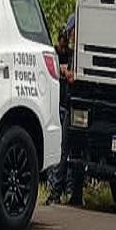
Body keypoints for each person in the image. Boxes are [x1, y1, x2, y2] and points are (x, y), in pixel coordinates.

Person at [46, 13, 83, 206]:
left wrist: (65, 72)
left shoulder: (78, 53)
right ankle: (67, 192)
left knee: (66, 150)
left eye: (71, 31)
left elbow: (74, 77)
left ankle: (61, 192)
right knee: (67, 150)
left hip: (71, 105)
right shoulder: (68, 52)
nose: (70, 36)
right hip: (66, 105)